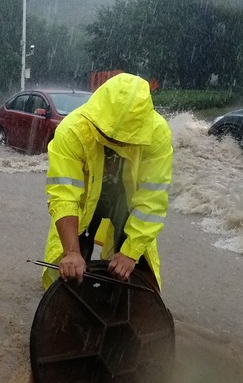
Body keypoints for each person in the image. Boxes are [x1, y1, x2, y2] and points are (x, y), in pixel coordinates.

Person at [42, 72, 171, 289]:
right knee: (70, 273)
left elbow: (152, 200)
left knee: (136, 275)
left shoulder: (156, 134)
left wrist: (130, 253)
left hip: (125, 203)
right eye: (109, 137)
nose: (114, 143)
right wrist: (72, 252)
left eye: (122, 141)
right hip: (84, 203)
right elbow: (63, 195)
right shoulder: (72, 129)